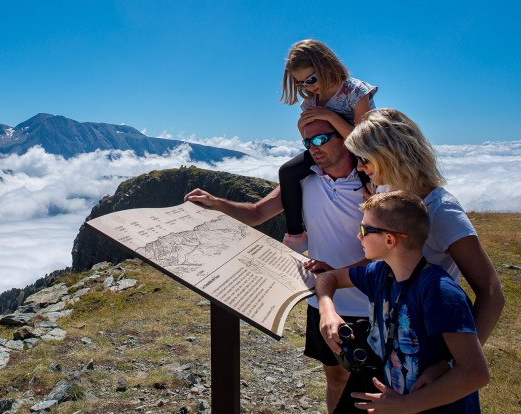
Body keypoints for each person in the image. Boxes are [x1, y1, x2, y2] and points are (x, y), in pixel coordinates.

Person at [185, 118, 370, 412]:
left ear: (345, 137)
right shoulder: (305, 181)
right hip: (323, 302)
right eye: (307, 143)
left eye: (321, 139)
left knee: (373, 385)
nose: (313, 149)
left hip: (370, 298)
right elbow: (258, 213)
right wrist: (217, 203)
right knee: (335, 377)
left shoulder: (371, 183)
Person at [316, 191, 489, 412]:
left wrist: (406, 405)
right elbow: (327, 278)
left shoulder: (439, 292)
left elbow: (475, 373)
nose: (358, 236)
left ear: (389, 239)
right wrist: (328, 312)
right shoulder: (380, 273)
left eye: (364, 230)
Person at [344, 108, 504, 347]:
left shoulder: (442, 211)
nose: (359, 167)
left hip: (433, 346)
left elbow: (491, 293)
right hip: (396, 340)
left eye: (364, 159)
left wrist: (458, 363)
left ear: (389, 155)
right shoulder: (387, 192)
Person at [278, 40, 377, 252]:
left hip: (365, 153)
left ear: (326, 65)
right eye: (301, 83)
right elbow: (312, 140)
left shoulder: (356, 92)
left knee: (374, 196)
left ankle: (376, 235)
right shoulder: (310, 103)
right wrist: (301, 128)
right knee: (287, 172)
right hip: (334, 152)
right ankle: (296, 234)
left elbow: (363, 141)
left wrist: (329, 116)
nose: (308, 87)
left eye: (311, 79)